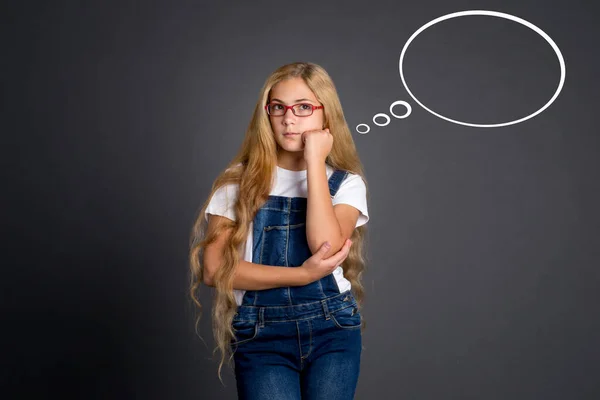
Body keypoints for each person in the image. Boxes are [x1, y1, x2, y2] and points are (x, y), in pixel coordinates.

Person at [189, 61, 370, 399]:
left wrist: (315, 162)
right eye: (278, 108)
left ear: (325, 115)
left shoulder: (346, 184)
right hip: (261, 334)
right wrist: (300, 276)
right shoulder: (237, 182)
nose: (289, 119)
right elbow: (214, 270)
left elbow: (326, 248)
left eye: (304, 108)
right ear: (266, 115)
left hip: (332, 328)